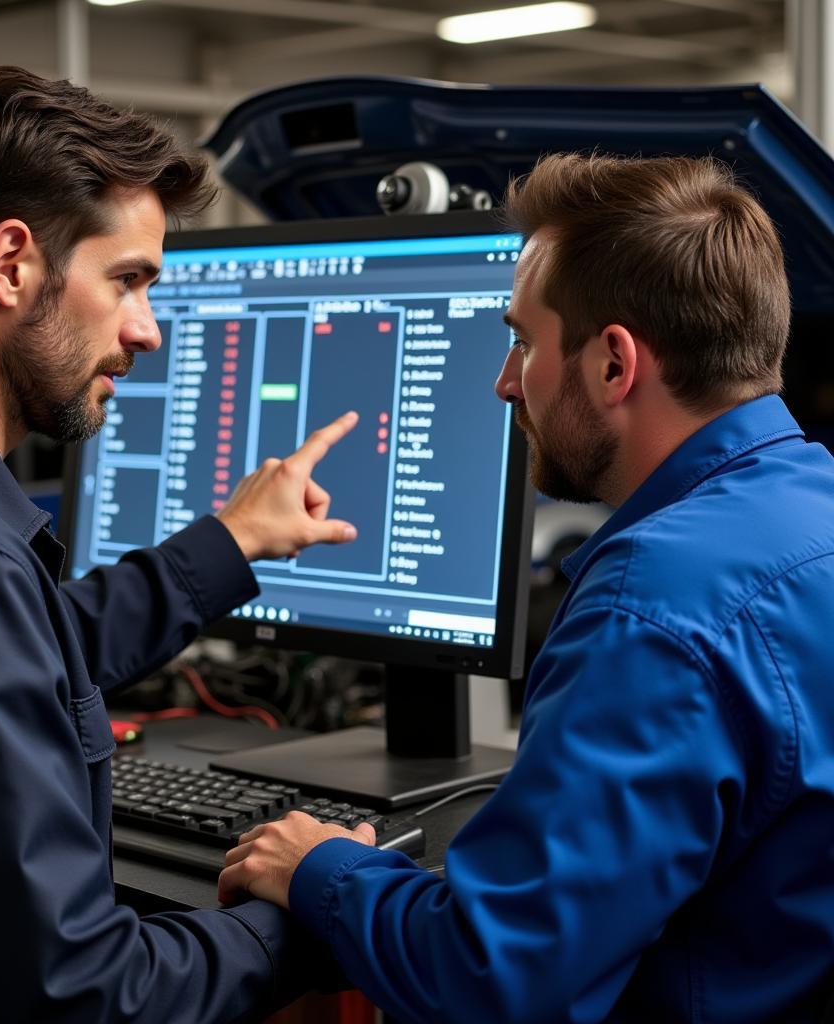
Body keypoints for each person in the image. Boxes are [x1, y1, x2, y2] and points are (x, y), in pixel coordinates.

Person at [218, 154, 834, 1022]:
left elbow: (490, 981)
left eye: (521, 339)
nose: (506, 382)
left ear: (615, 364)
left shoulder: (653, 605)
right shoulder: (815, 506)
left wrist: (317, 865)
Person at [0, 66, 361, 1023]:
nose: (147, 330)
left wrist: (230, 543)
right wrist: (316, 910)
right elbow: (85, 993)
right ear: (12, 263)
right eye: (128, 280)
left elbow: (20, 656)